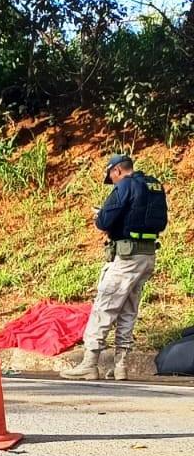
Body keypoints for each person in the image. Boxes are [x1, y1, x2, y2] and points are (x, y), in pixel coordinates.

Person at [62, 155, 167, 381]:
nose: (113, 180)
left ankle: (89, 363)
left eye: (111, 176)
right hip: (147, 255)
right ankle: (121, 366)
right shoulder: (154, 185)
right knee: (128, 310)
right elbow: (156, 220)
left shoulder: (125, 185)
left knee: (105, 306)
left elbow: (104, 222)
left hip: (126, 257)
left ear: (117, 170)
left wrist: (99, 215)